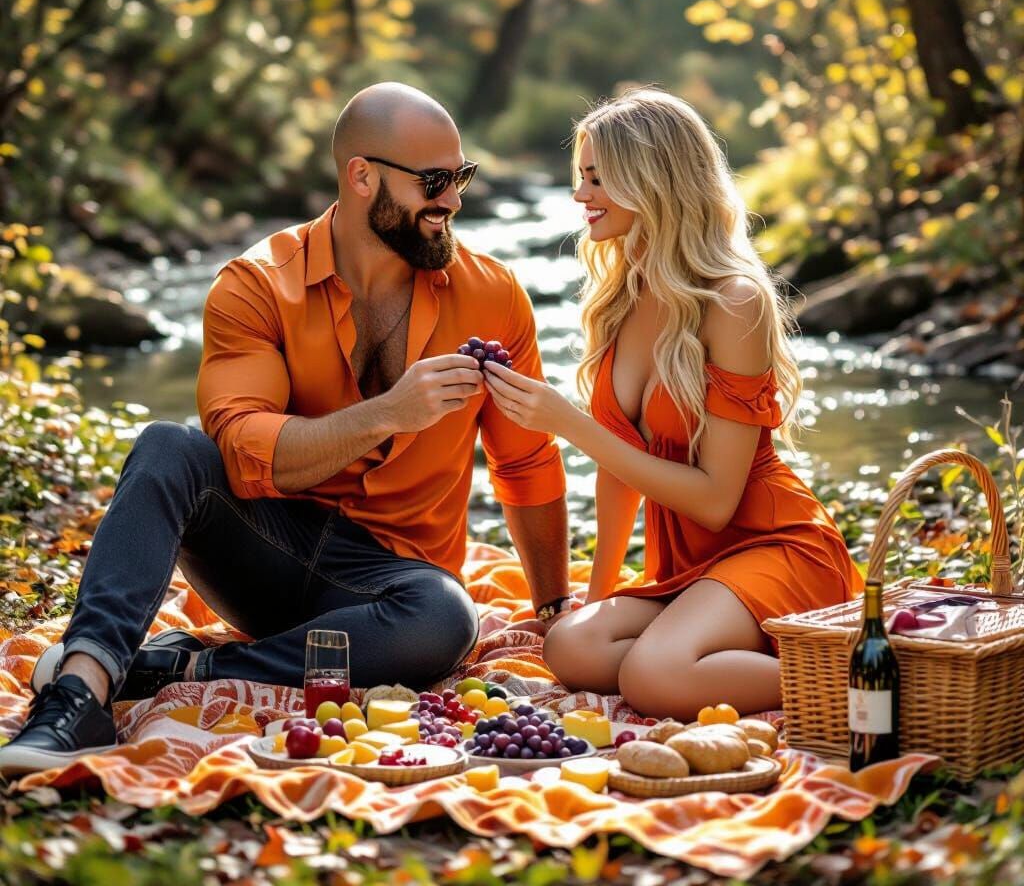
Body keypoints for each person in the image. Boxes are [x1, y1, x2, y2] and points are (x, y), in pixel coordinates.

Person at [0, 82, 570, 775]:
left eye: (461, 176)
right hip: (264, 553)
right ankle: (78, 694)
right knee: (167, 446)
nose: (453, 199)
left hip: (389, 594)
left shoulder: (493, 294)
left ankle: (173, 667)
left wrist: (551, 606)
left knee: (448, 618)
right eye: (434, 180)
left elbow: (525, 462)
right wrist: (390, 412)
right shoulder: (257, 285)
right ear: (362, 176)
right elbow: (241, 455)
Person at [482, 87, 862, 720]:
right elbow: (619, 471)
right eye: (581, 177)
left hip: (773, 545)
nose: (581, 195)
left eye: (597, 177)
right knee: (572, 649)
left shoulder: (734, 300)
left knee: (653, 677)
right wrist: (594, 601)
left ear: (653, 179)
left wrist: (568, 425)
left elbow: (716, 501)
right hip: (691, 563)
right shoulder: (622, 297)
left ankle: (865, 669)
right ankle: (720, 660)